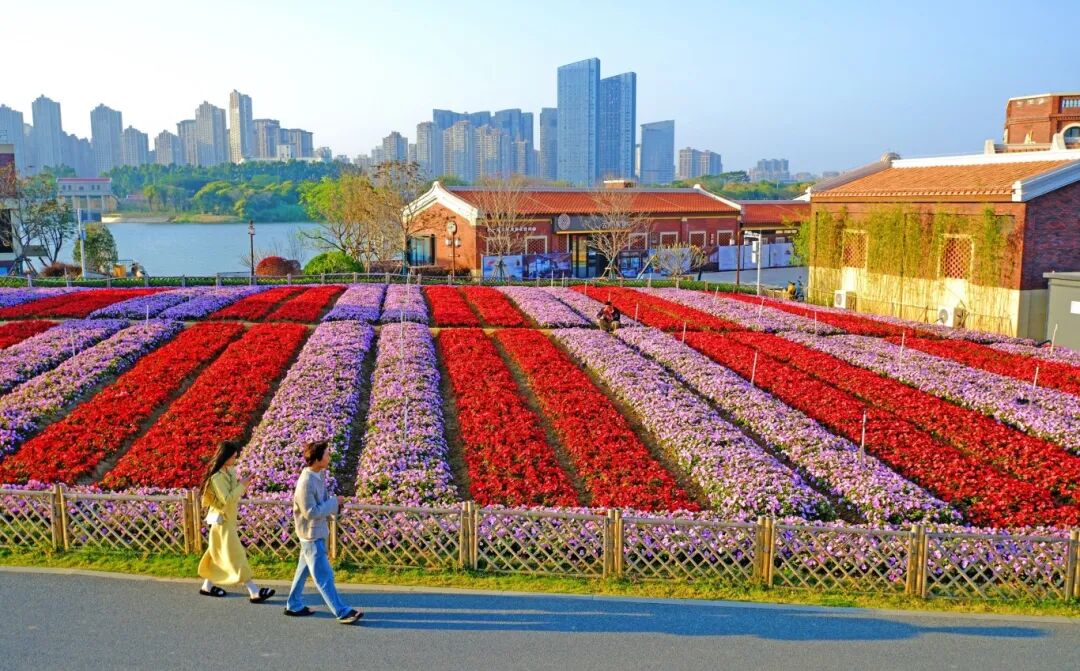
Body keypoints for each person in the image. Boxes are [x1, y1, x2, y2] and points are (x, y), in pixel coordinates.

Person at [284, 440, 363, 624]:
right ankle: (342, 611)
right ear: (317, 459)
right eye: (327, 454)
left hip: (316, 531)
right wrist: (334, 503)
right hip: (310, 535)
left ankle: (293, 604)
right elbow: (310, 512)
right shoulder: (306, 483)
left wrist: (335, 504)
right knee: (324, 576)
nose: (329, 457)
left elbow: (323, 503)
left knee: (302, 571)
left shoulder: (319, 475)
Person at [197, 440, 276, 603]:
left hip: (229, 520)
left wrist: (243, 483)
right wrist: (243, 485)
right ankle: (253, 591)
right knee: (237, 554)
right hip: (222, 521)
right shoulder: (216, 478)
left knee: (216, 552)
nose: (236, 459)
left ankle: (207, 585)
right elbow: (227, 499)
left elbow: (234, 492)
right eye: (233, 456)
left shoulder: (230, 471)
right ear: (225, 458)